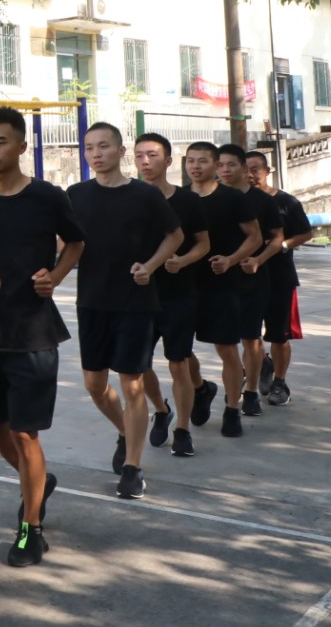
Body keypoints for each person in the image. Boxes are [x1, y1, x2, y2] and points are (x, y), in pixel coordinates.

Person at [0, 107, 84, 567]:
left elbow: (75, 242)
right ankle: (39, 481)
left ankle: (32, 529)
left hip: (32, 333)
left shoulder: (48, 197)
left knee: (25, 433)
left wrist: (56, 275)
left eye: (1, 142)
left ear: (22, 146)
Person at [64, 123, 183, 500]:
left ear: (120, 151)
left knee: (132, 384)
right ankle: (125, 431)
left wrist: (151, 266)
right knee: (94, 385)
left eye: (103, 146)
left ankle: (133, 468)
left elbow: (176, 236)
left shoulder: (144, 194)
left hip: (135, 303)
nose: (95, 154)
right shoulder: (76, 194)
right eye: (89, 148)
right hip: (91, 301)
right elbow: (66, 242)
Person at [132, 133, 211, 458]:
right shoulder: (129, 197)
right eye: (139, 155)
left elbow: (203, 244)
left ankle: (182, 430)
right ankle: (161, 410)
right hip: (137, 297)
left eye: (152, 155)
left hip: (179, 294)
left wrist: (183, 260)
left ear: (167, 160)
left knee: (178, 363)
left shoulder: (188, 201)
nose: (145, 161)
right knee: (138, 366)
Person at [183, 141, 260, 437]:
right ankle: (201, 389)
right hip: (184, 285)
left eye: (202, 161)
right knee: (179, 351)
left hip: (222, 284)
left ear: (215, 165)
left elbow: (254, 238)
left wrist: (231, 260)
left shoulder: (232, 198)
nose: (195, 166)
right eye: (190, 161)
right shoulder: (179, 198)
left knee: (226, 349)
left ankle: (232, 409)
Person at [217, 144, 284, 420]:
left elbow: (277, 238)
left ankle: (252, 391)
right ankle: (234, 386)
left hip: (251, 279)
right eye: (220, 165)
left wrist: (258, 259)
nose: (224, 170)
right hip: (218, 280)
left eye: (231, 164)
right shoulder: (210, 197)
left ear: (244, 168)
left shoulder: (263, 201)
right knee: (224, 342)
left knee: (250, 337)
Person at [247, 150, 314, 406]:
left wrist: (282, 245)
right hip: (248, 279)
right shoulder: (238, 202)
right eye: (246, 169)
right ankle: (262, 365)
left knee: (278, 334)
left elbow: (306, 233)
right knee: (249, 335)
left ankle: (280, 381)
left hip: (280, 278)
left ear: (267, 171)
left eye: (255, 169)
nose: (251, 175)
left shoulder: (286, 202)